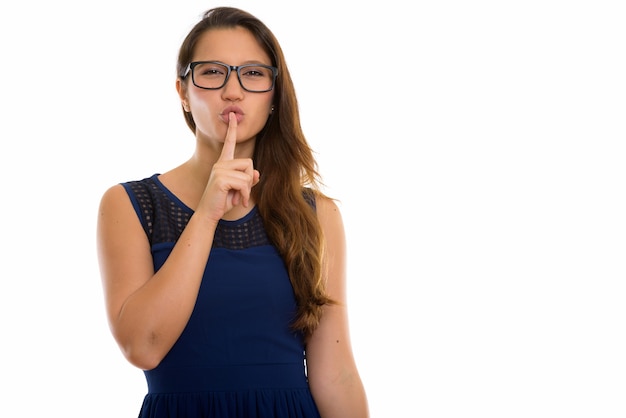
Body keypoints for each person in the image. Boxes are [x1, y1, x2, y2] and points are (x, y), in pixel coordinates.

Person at [96, 6, 369, 418]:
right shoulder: (130, 204)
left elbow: (336, 374)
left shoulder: (315, 213)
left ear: (275, 95)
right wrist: (207, 210)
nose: (233, 91)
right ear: (183, 93)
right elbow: (143, 346)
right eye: (211, 72)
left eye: (254, 74)